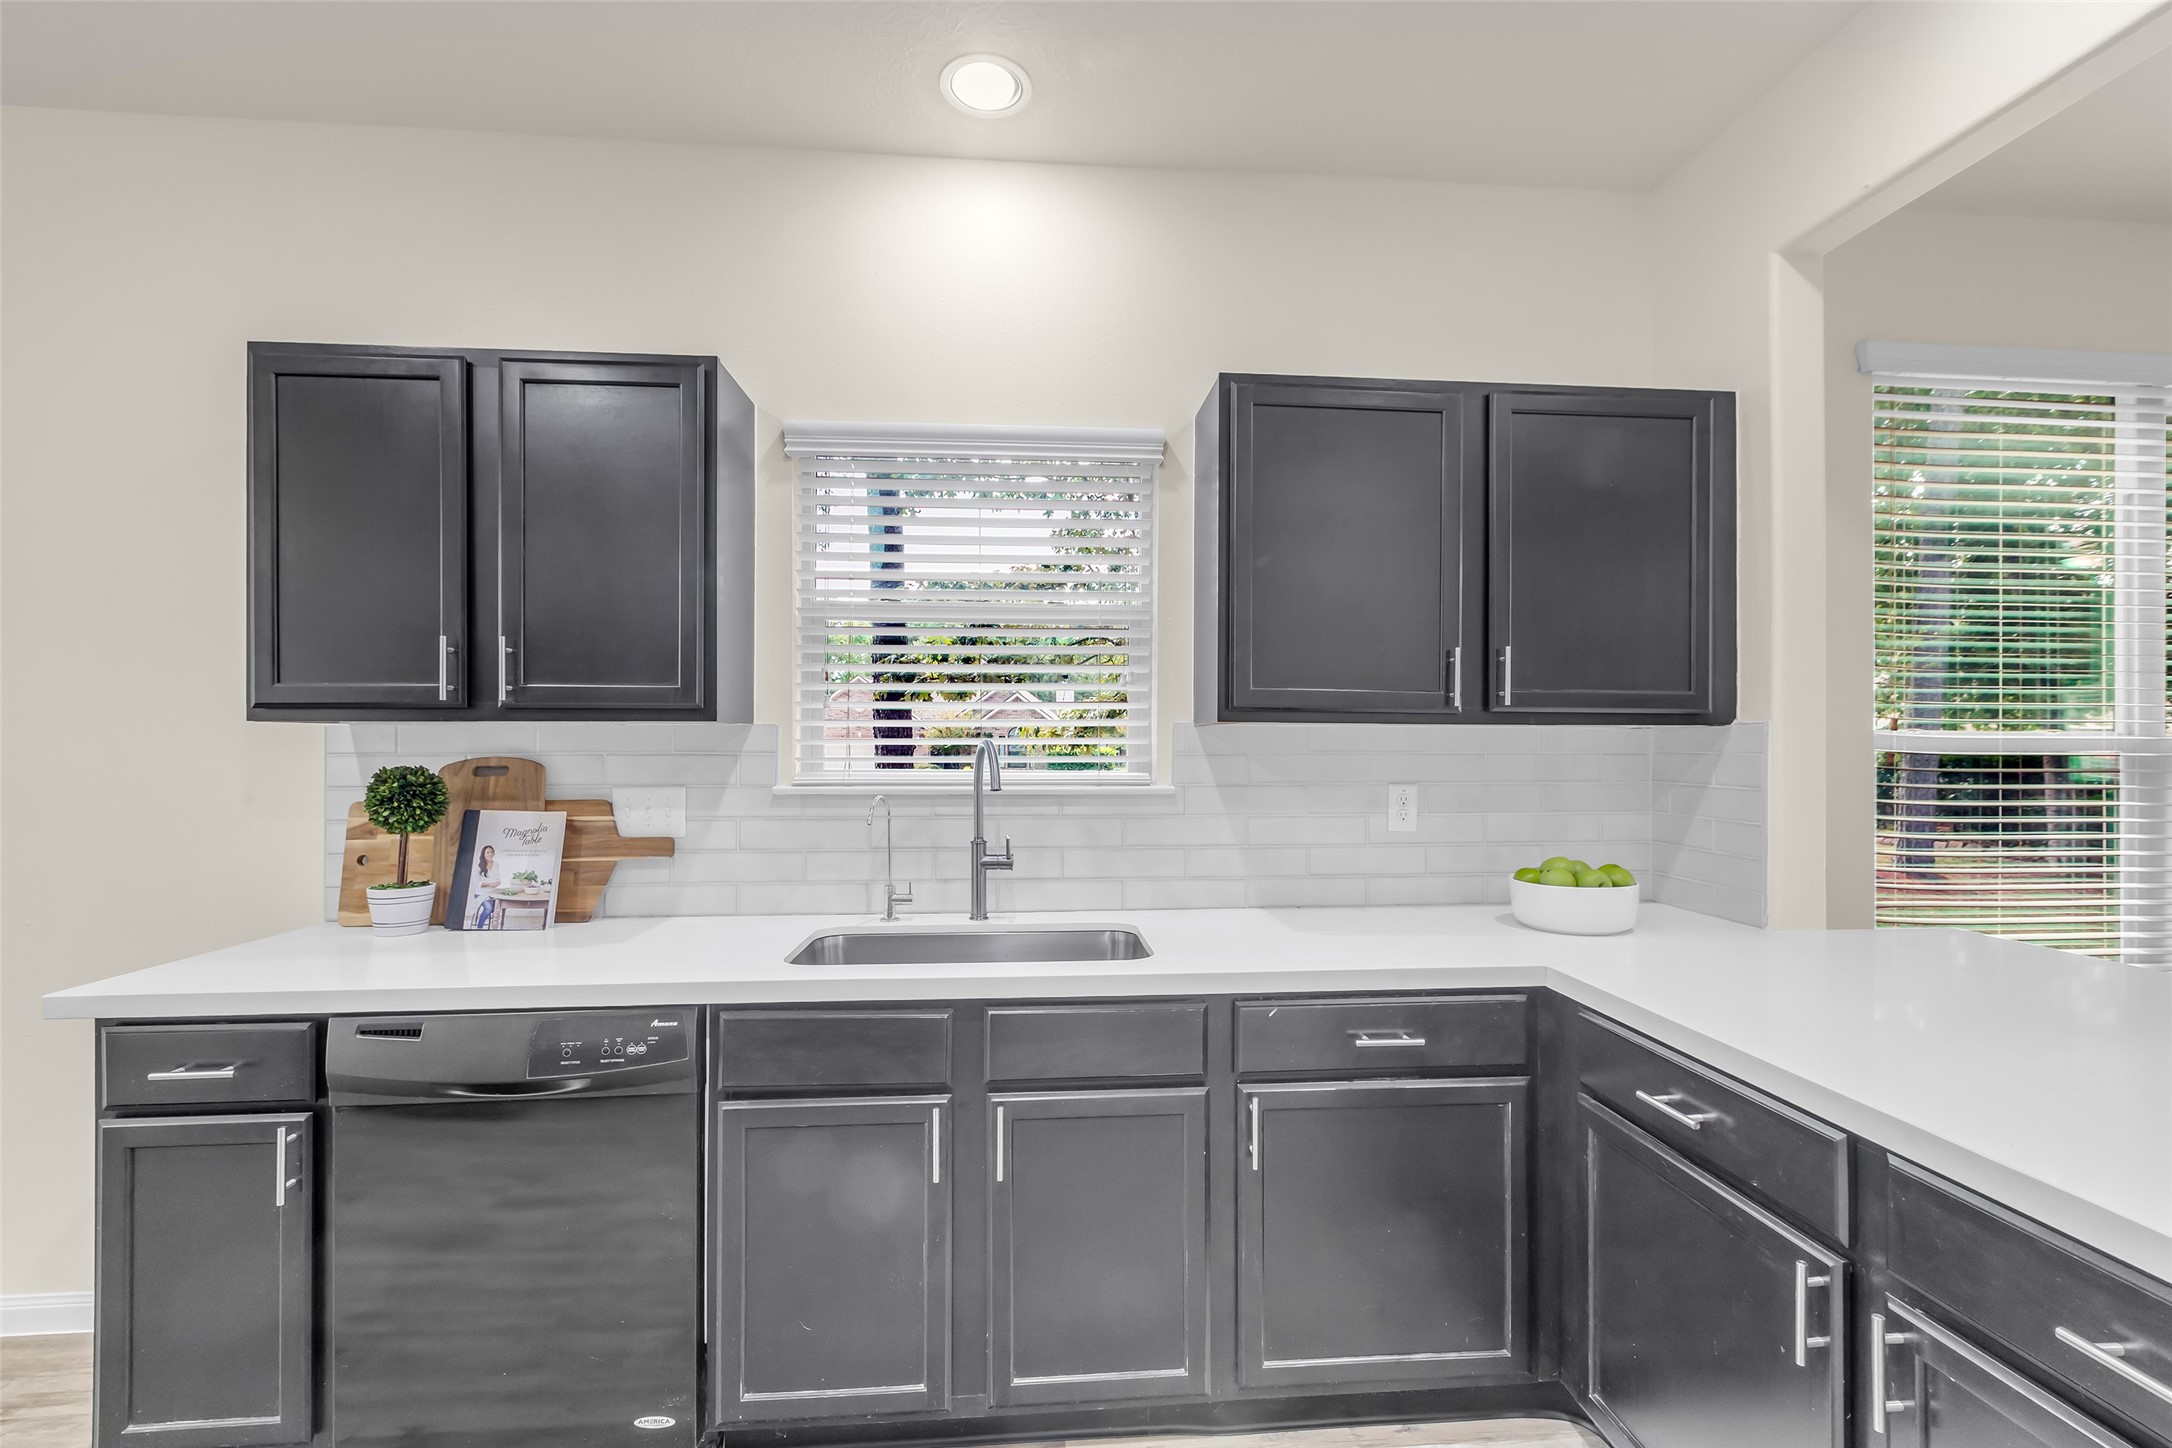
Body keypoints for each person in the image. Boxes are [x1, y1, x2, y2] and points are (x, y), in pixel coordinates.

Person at [469, 844, 501, 929]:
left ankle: (485, 918)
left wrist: (498, 882)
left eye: (491, 852)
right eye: (487, 852)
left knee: (497, 908)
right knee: (489, 908)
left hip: (493, 893)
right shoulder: (478, 867)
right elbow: (476, 883)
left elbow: (497, 877)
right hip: (481, 893)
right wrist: (490, 884)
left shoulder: (496, 864)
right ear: (483, 854)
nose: (490, 854)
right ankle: (479, 927)